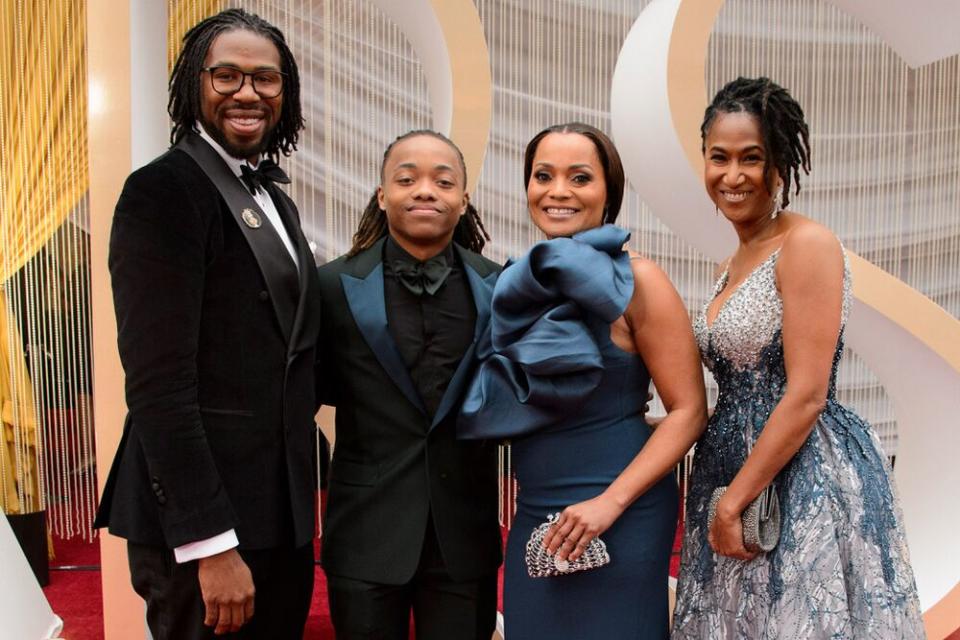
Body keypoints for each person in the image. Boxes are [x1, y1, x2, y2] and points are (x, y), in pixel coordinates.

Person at [94, 9, 321, 638]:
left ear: (287, 92)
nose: (248, 93)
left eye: (266, 79)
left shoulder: (273, 198)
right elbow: (158, 386)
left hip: (278, 517)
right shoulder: (163, 191)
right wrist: (210, 544)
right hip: (205, 528)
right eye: (227, 76)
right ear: (195, 83)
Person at [671, 77, 925, 638]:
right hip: (730, 463)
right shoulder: (734, 261)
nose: (732, 176)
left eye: (750, 158)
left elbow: (807, 392)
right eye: (719, 158)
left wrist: (735, 501)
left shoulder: (806, 244)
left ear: (780, 164)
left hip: (801, 469)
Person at [459, 123, 707, 638]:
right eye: (543, 175)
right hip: (537, 511)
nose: (558, 192)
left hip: (623, 511)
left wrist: (608, 504)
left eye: (580, 177)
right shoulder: (517, 281)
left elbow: (688, 412)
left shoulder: (641, 281)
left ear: (608, 192)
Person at [316, 130, 502, 639]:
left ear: (463, 201)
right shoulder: (331, 287)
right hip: (364, 533)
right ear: (382, 195)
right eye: (407, 179)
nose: (425, 190)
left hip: (465, 535)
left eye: (443, 182)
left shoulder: (500, 287)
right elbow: (306, 394)